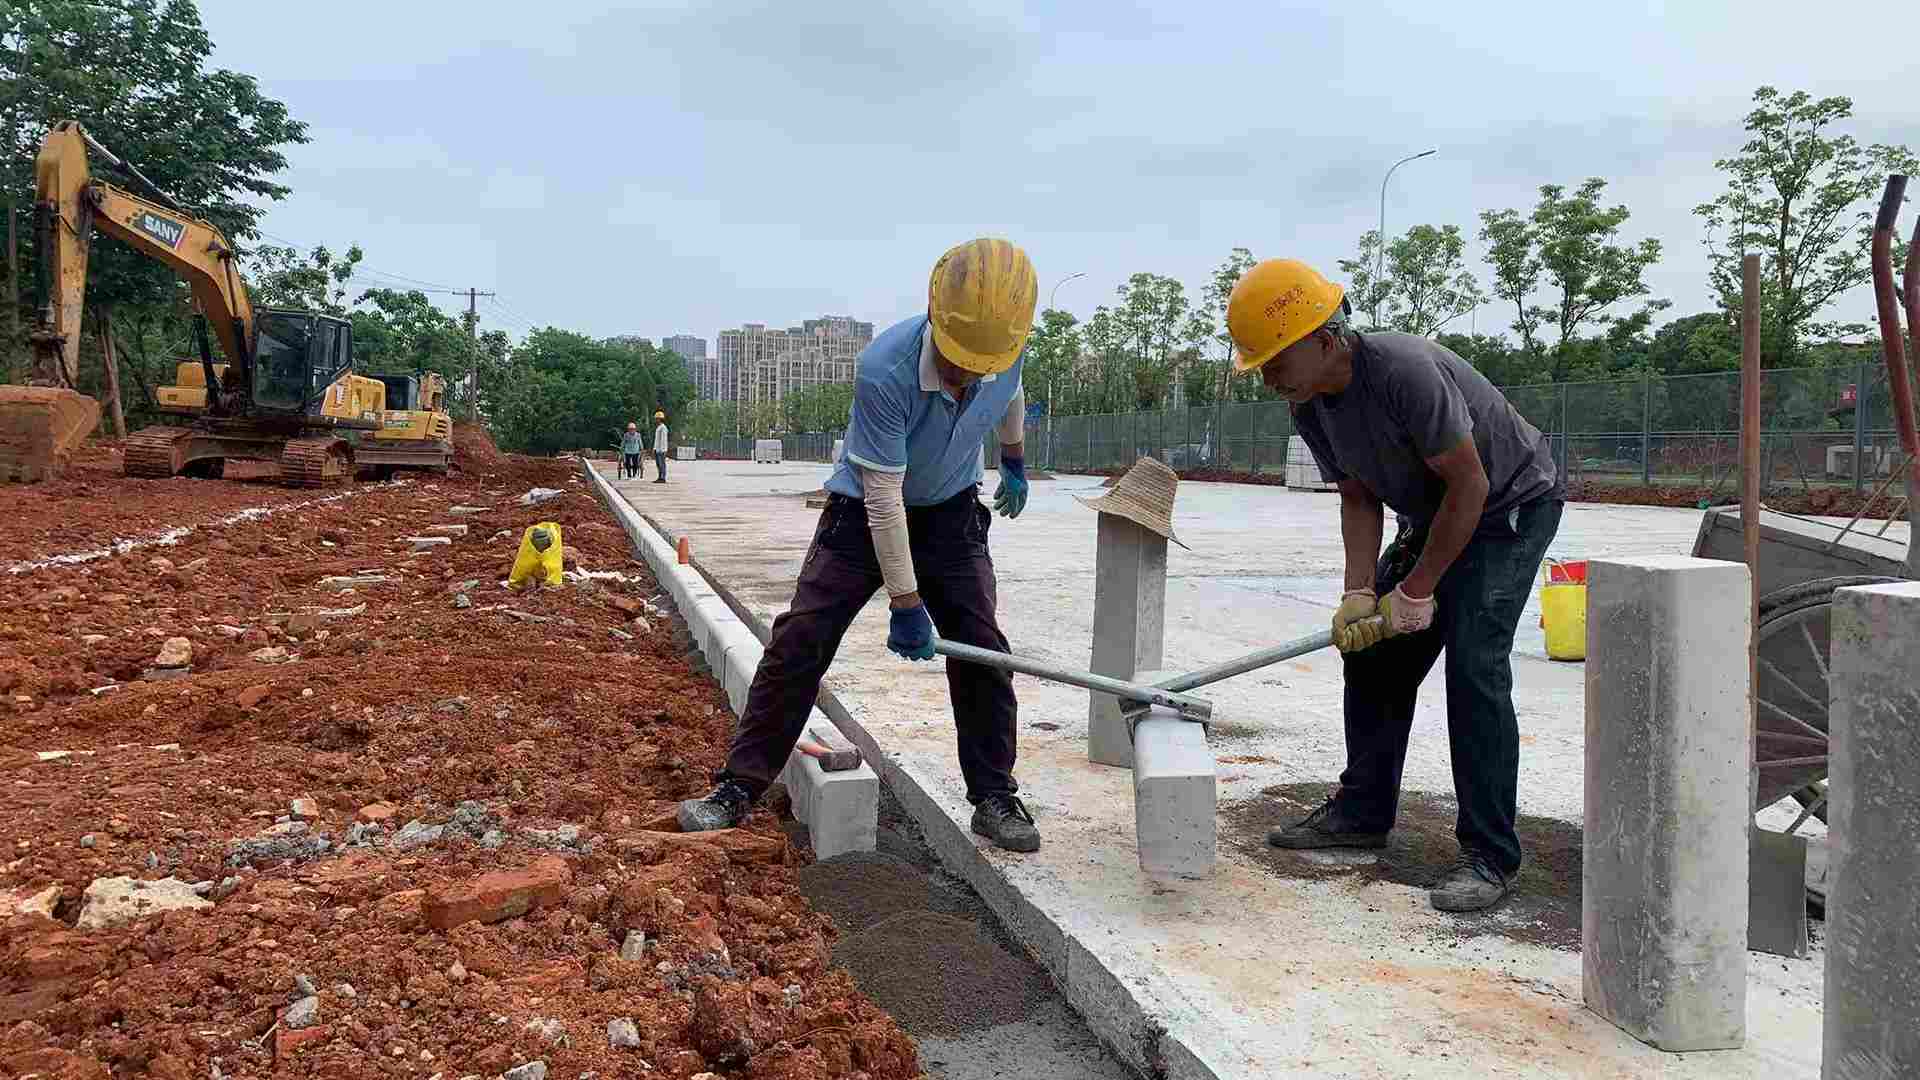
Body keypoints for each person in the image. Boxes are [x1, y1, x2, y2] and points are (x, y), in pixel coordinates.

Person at [679, 237, 1039, 851]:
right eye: (958, 363)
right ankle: (738, 784)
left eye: (983, 366)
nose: (968, 378)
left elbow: (1010, 395)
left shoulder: (1000, 347)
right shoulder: (886, 369)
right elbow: (882, 498)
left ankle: (994, 794)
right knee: (801, 638)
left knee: (982, 647)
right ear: (935, 316)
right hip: (863, 511)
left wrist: (1013, 459)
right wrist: (905, 602)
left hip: (952, 510)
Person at [1225, 258, 1563, 912]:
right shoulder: (1311, 405)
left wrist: (1417, 590)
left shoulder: (1403, 373)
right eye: (1260, 365)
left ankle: (1490, 855)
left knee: (1474, 667)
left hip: (1507, 508)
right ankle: (1362, 813)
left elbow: (1471, 486)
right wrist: (1359, 592)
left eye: (1274, 360)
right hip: (1437, 511)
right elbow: (1358, 495)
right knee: (1372, 652)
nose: (1267, 378)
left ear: (1326, 341)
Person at [652, 410, 670, 484]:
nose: (656, 420)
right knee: (658, 464)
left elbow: (663, 440)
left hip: (661, 450)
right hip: (657, 449)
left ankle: (663, 478)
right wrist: (654, 448)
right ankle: (660, 477)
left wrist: (662, 450)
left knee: (662, 464)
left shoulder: (663, 428)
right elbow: (656, 440)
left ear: (660, 419)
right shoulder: (659, 427)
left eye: (657, 418)